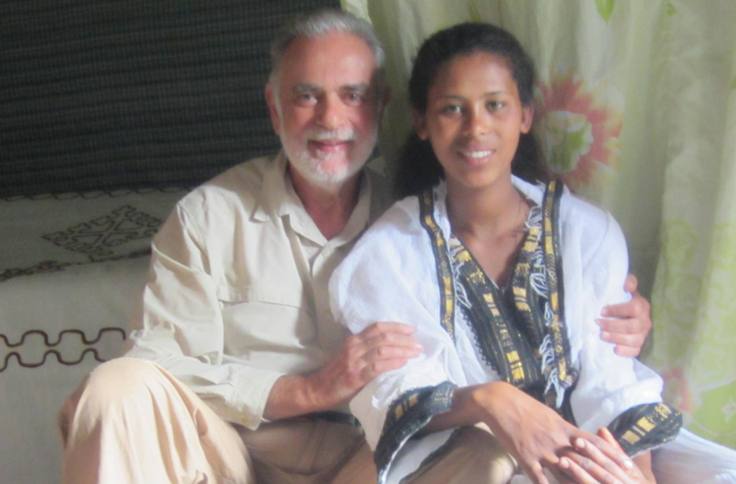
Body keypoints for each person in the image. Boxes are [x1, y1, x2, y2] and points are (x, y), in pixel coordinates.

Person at [58, 9, 654, 484]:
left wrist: (616, 313)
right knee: (117, 388)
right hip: (229, 457)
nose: (330, 118)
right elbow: (161, 362)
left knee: (487, 449)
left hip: (376, 460)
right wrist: (309, 390)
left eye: (351, 95)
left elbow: (534, 280)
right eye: (306, 95)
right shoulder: (209, 218)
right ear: (273, 108)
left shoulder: (424, 210)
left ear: (385, 108)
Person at [329, 22, 736, 484]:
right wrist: (493, 401)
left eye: (495, 105)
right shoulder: (388, 254)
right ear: (422, 122)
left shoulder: (586, 232)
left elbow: (612, 378)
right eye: (452, 109)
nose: (476, 128)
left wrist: (636, 473)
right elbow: (400, 395)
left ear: (525, 116)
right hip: (482, 457)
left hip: (602, 438)